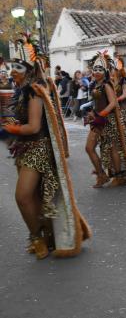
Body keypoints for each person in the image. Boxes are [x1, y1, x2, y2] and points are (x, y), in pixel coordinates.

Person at [1, 33, 90, 259]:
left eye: (18, 68)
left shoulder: (34, 91)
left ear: (29, 70)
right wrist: (10, 126)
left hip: (38, 150)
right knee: (32, 197)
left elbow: (32, 127)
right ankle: (42, 235)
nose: (13, 72)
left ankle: (37, 236)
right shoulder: (21, 92)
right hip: (25, 150)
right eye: (13, 67)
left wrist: (9, 130)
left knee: (23, 196)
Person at [85, 51, 126, 188]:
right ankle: (101, 174)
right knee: (89, 148)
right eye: (95, 69)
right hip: (98, 121)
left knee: (112, 148)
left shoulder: (106, 85)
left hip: (108, 121)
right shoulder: (95, 85)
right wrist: (92, 114)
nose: (97, 72)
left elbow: (113, 103)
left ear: (104, 72)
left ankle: (119, 176)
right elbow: (97, 103)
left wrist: (100, 115)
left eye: (100, 69)